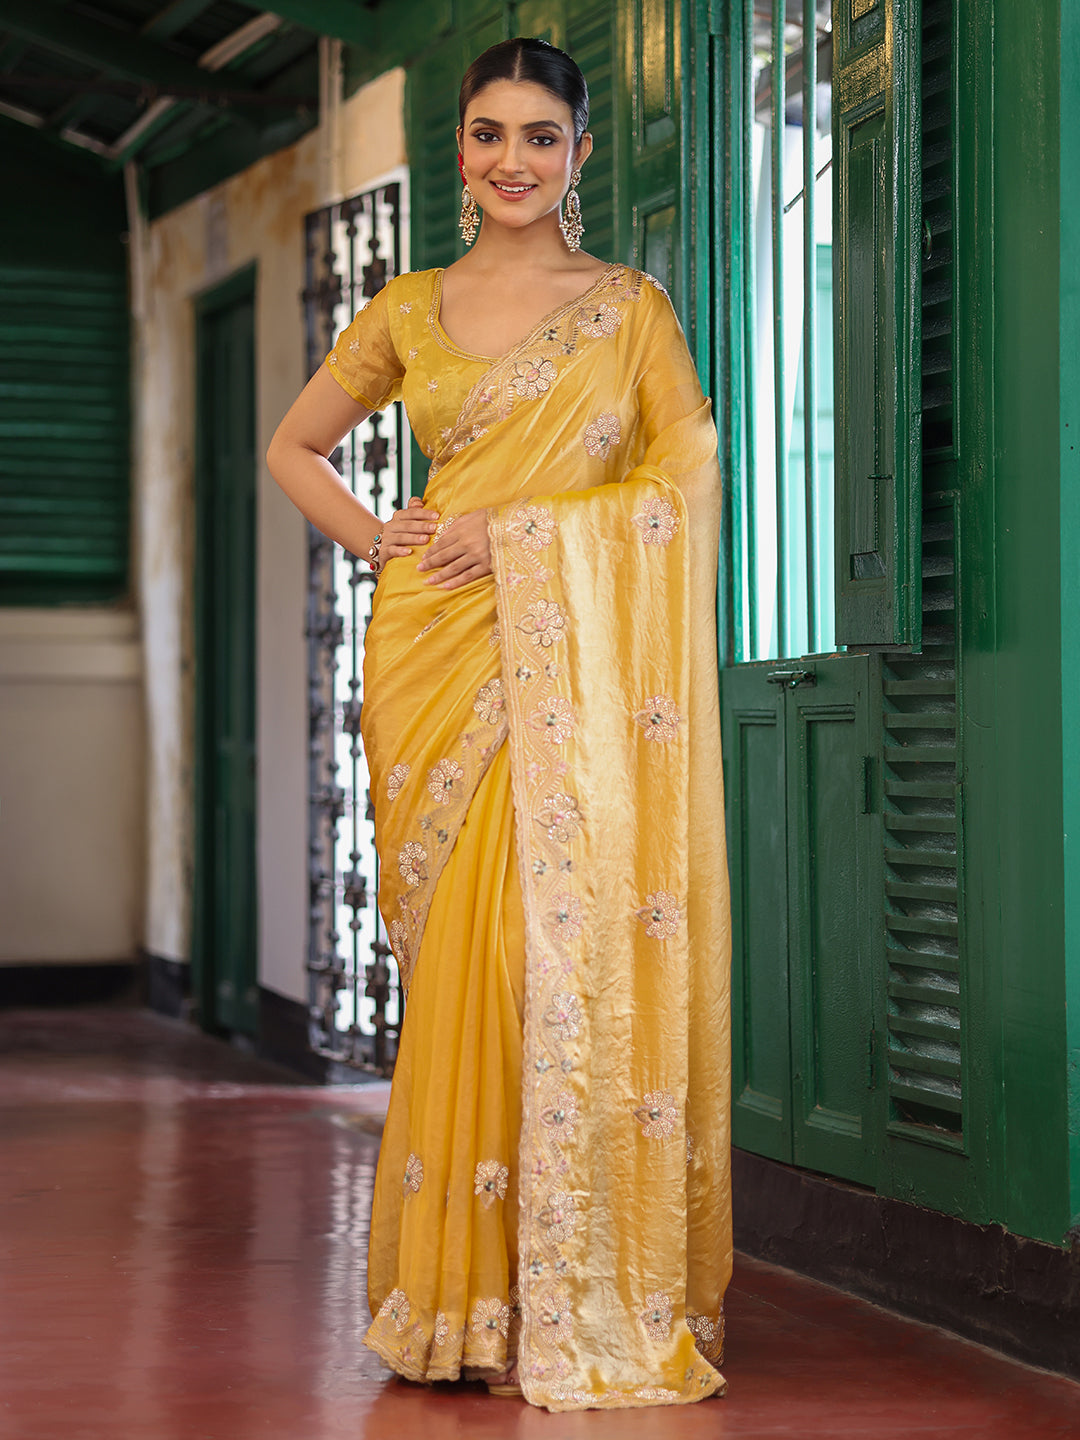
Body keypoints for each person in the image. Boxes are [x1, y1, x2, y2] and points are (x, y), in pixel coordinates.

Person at [267, 36, 731, 1412]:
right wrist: (382, 540)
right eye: (487, 134)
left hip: (569, 669)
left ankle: (571, 1282)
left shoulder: (628, 310)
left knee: (547, 955)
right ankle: (464, 1299)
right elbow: (294, 445)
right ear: (461, 149)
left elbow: (687, 478)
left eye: (540, 135)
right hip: (437, 651)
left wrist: (523, 531)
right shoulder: (408, 309)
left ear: (580, 152)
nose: (510, 160)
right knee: (466, 966)